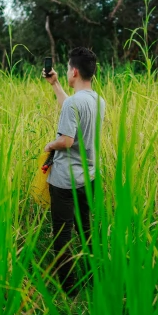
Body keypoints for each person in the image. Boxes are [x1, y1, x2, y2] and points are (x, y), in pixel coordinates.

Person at [42, 47, 106, 295]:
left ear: (75, 71)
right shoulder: (97, 100)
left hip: (64, 181)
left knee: (62, 234)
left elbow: (67, 140)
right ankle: (92, 276)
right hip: (88, 178)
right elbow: (70, 107)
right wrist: (55, 84)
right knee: (85, 230)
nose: (67, 72)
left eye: (68, 68)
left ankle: (69, 288)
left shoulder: (73, 104)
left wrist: (50, 144)